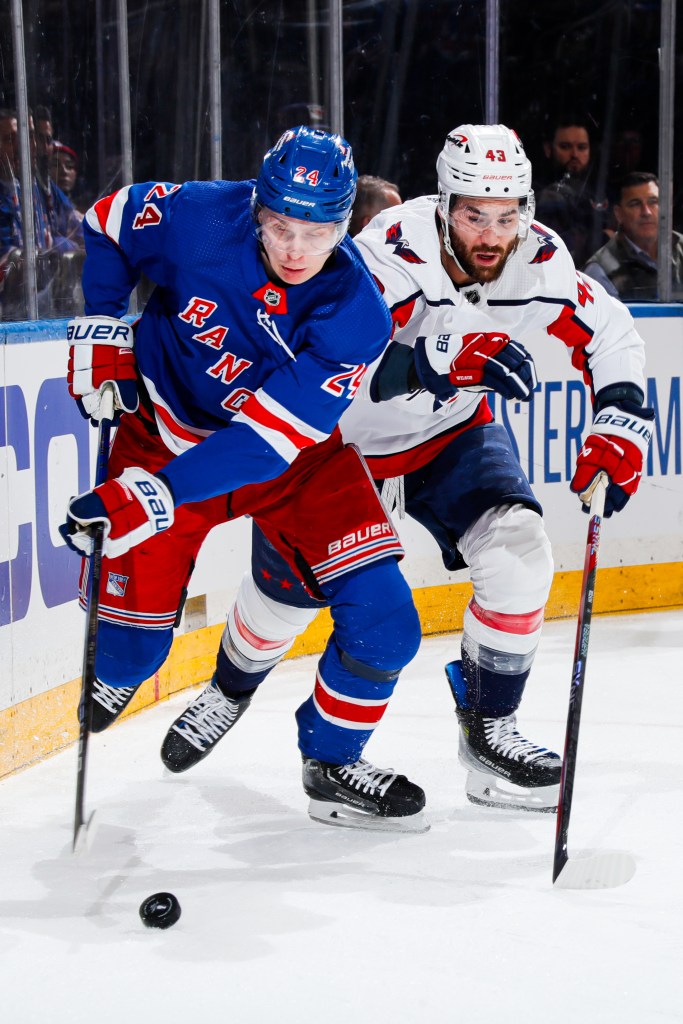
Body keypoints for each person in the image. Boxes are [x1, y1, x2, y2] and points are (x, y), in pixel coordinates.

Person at [170, 123, 654, 814]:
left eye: (506, 215)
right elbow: (334, 368)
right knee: (287, 599)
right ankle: (229, 688)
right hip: (341, 447)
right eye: (472, 215)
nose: (490, 234)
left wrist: (618, 415)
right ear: (442, 203)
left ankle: (487, 737)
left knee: (520, 551)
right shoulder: (386, 258)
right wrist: (431, 361)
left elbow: (607, 329)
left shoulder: (537, 260)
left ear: (527, 210)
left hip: (451, 431)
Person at [61, 125, 427, 833]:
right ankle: (125, 662)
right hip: (160, 436)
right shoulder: (199, 216)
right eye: (281, 225)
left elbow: (268, 441)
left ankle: (331, 763)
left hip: (290, 461)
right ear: (256, 206)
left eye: (317, 231)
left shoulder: (356, 315)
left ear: (345, 223)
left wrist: (155, 494)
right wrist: (103, 322)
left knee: (387, 625)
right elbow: (106, 222)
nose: (295, 249)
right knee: (132, 656)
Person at [583, 172, 683, 301]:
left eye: (653, 202)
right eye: (635, 204)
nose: (646, 212)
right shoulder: (600, 271)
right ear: (619, 214)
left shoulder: (680, 248)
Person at [534, 117, 609, 268]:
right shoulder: (536, 193)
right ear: (548, 149)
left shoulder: (603, 191)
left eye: (581, 147)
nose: (574, 154)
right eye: (565, 146)